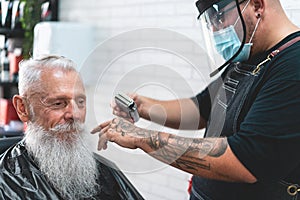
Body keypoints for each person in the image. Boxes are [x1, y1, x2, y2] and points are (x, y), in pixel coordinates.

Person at [91, 0, 300, 199]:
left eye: (219, 17)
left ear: (256, 5)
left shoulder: (293, 66)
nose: (215, 29)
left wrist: (142, 138)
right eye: (211, 21)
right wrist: (144, 106)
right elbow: (202, 109)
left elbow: (245, 159)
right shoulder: (248, 53)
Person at [0, 55, 144, 200]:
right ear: (23, 108)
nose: (75, 115)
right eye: (58, 103)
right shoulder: (5, 184)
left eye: (80, 102)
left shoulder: (106, 172)